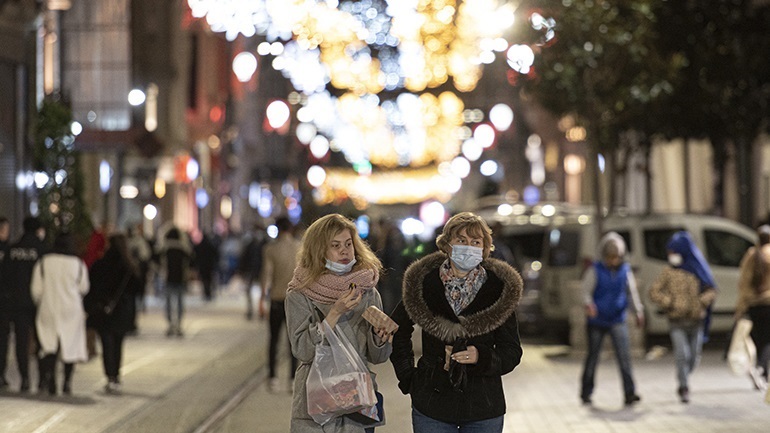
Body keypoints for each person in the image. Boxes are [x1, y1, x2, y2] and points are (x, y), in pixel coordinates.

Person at [389, 212, 523, 432]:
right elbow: (398, 331)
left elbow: (512, 351)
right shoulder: (424, 284)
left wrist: (482, 357)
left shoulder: (498, 290)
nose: (468, 246)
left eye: (475, 242)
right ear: (447, 245)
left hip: (483, 406)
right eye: (461, 240)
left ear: (484, 248)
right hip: (432, 405)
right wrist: (409, 378)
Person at [285, 213, 393, 432]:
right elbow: (303, 350)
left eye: (348, 244)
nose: (344, 251)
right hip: (316, 406)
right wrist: (334, 313)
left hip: (357, 405)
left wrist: (380, 338)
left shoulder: (367, 291)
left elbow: (379, 357)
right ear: (319, 251)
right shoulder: (300, 293)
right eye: (335, 245)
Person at [648, 230, 717, 403]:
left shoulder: (698, 268)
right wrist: (669, 302)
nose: (671, 256)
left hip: (696, 321)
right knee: (682, 354)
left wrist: (701, 302)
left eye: (674, 252)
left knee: (694, 357)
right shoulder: (668, 272)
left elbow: (711, 289)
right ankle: (684, 386)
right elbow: (654, 292)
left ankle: (684, 376)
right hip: (676, 321)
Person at [580, 232, 644, 406]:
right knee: (593, 357)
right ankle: (586, 391)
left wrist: (638, 312)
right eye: (610, 257)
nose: (613, 261)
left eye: (616, 257)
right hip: (597, 320)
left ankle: (629, 392)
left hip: (617, 318)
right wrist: (589, 305)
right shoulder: (595, 270)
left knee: (624, 357)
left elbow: (631, 293)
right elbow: (585, 291)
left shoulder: (625, 271)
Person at [30, 232, 90, 395]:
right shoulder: (78, 263)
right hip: (71, 309)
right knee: (70, 344)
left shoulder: (44, 262)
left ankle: (50, 380)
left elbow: (36, 290)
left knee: (48, 344)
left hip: (48, 307)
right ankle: (67, 382)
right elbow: (84, 287)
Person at [85, 233, 143, 393]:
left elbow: (91, 288)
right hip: (122, 311)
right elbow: (137, 289)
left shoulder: (100, 264)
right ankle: (116, 375)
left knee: (106, 343)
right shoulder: (129, 266)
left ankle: (109, 376)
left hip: (104, 310)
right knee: (118, 344)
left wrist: (90, 306)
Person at [0, 216, 47, 392]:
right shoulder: (42, 250)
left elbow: (4, 277)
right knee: (41, 340)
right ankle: (43, 379)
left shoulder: (12, 250)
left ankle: (25, 379)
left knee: (21, 342)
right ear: (38, 230)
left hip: (16, 304)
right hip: (38, 304)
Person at [260, 216, 301, 392]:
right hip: (295, 301)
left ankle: (273, 378)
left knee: (274, 340)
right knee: (294, 342)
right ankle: (292, 378)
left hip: (277, 299)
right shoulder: (300, 248)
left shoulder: (271, 249)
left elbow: (266, 276)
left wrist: (262, 299)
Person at [735, 225, 770, 390]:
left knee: (758, 340)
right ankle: (762, 369)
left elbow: (743, 283)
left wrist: (740, 307)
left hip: (753, 305)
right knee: (768, 341)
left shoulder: (751, 255)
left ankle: (762, 373)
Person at [157, 226, 194, 337]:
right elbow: (191, 261)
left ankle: (170, 324)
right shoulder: (183, 249)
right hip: (180, 279)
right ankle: (178, 324)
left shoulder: (164, 249)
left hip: (168, 279)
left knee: (168, 303)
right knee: (179, 302)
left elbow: (156, 260)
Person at [239, 225, 266, 320]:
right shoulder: (250, 244)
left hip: (262, 271)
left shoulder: (265, 244)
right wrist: (242, 270)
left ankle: (261, 310)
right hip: (251, 270)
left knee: (263, 292)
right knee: (249, 291)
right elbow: (244, 258)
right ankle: (250, 310)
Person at [194, 232, 220, 301]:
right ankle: (209, 293)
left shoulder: (200, 246)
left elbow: (195, 255)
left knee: (204, 280)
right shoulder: (210, 245)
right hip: (210, 266)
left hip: (202, 266)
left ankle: (206, 293)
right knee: (209, 280)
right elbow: (216, 254)